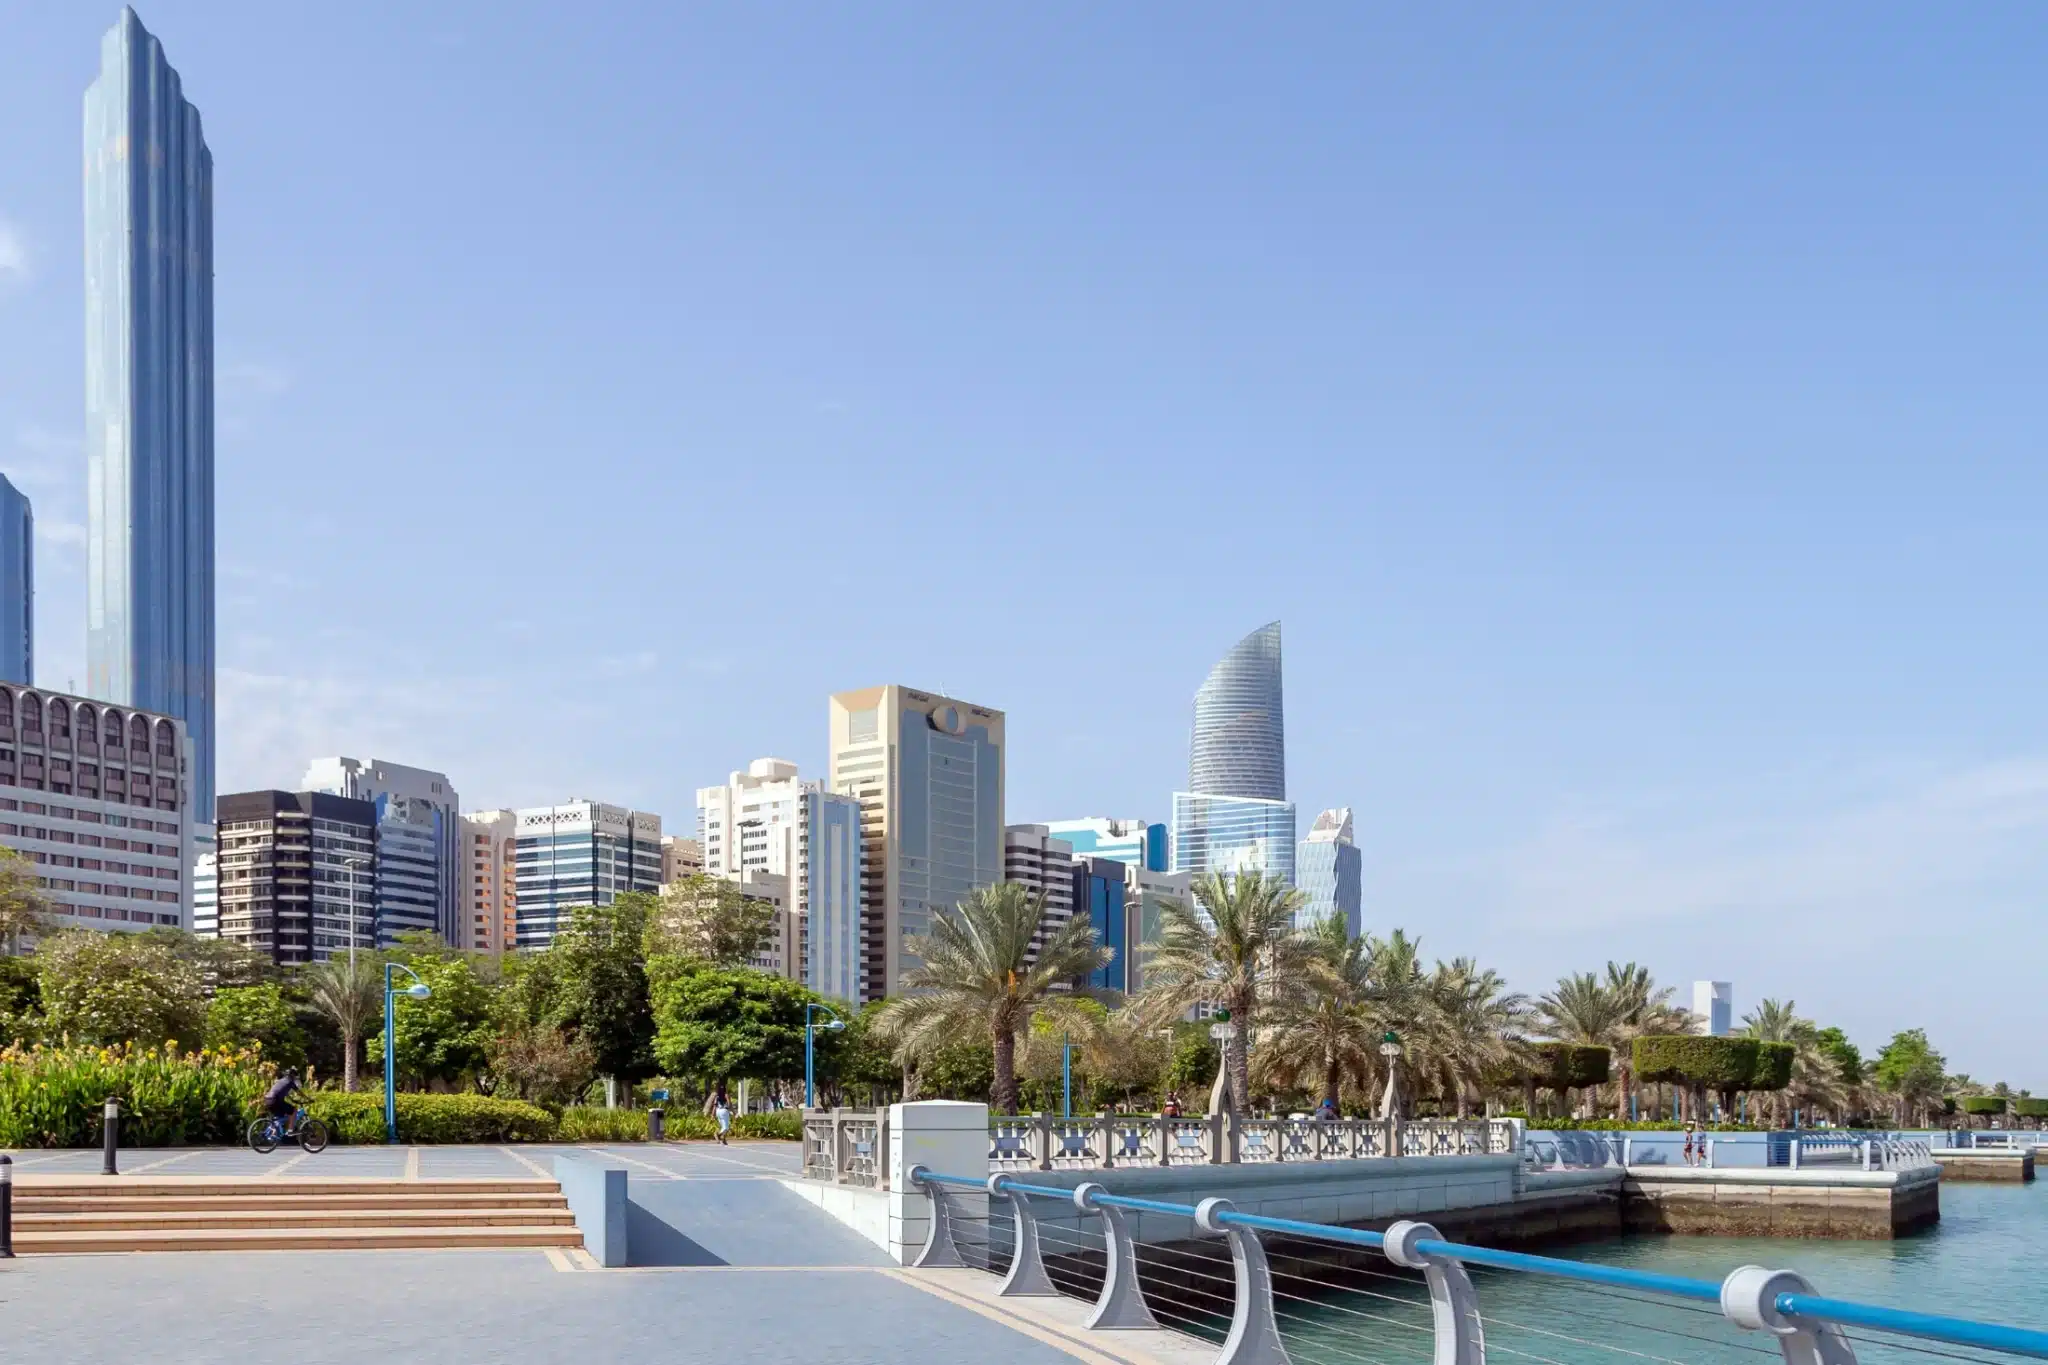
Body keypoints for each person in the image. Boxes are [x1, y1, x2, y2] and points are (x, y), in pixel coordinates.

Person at [263, 1068, 306, 1136]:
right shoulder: (290, 1082)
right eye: (295, 1076)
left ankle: (273, 1133)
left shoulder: (280, 1081)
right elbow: (299, 1092)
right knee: (294, 1110)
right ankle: (290, 1131)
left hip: (267, 1100)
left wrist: (292, 1099)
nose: (295, 1077)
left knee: (282, 1117)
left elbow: (283, 1092)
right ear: (292, 1075)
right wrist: (308, 1098)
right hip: (275, 1100)